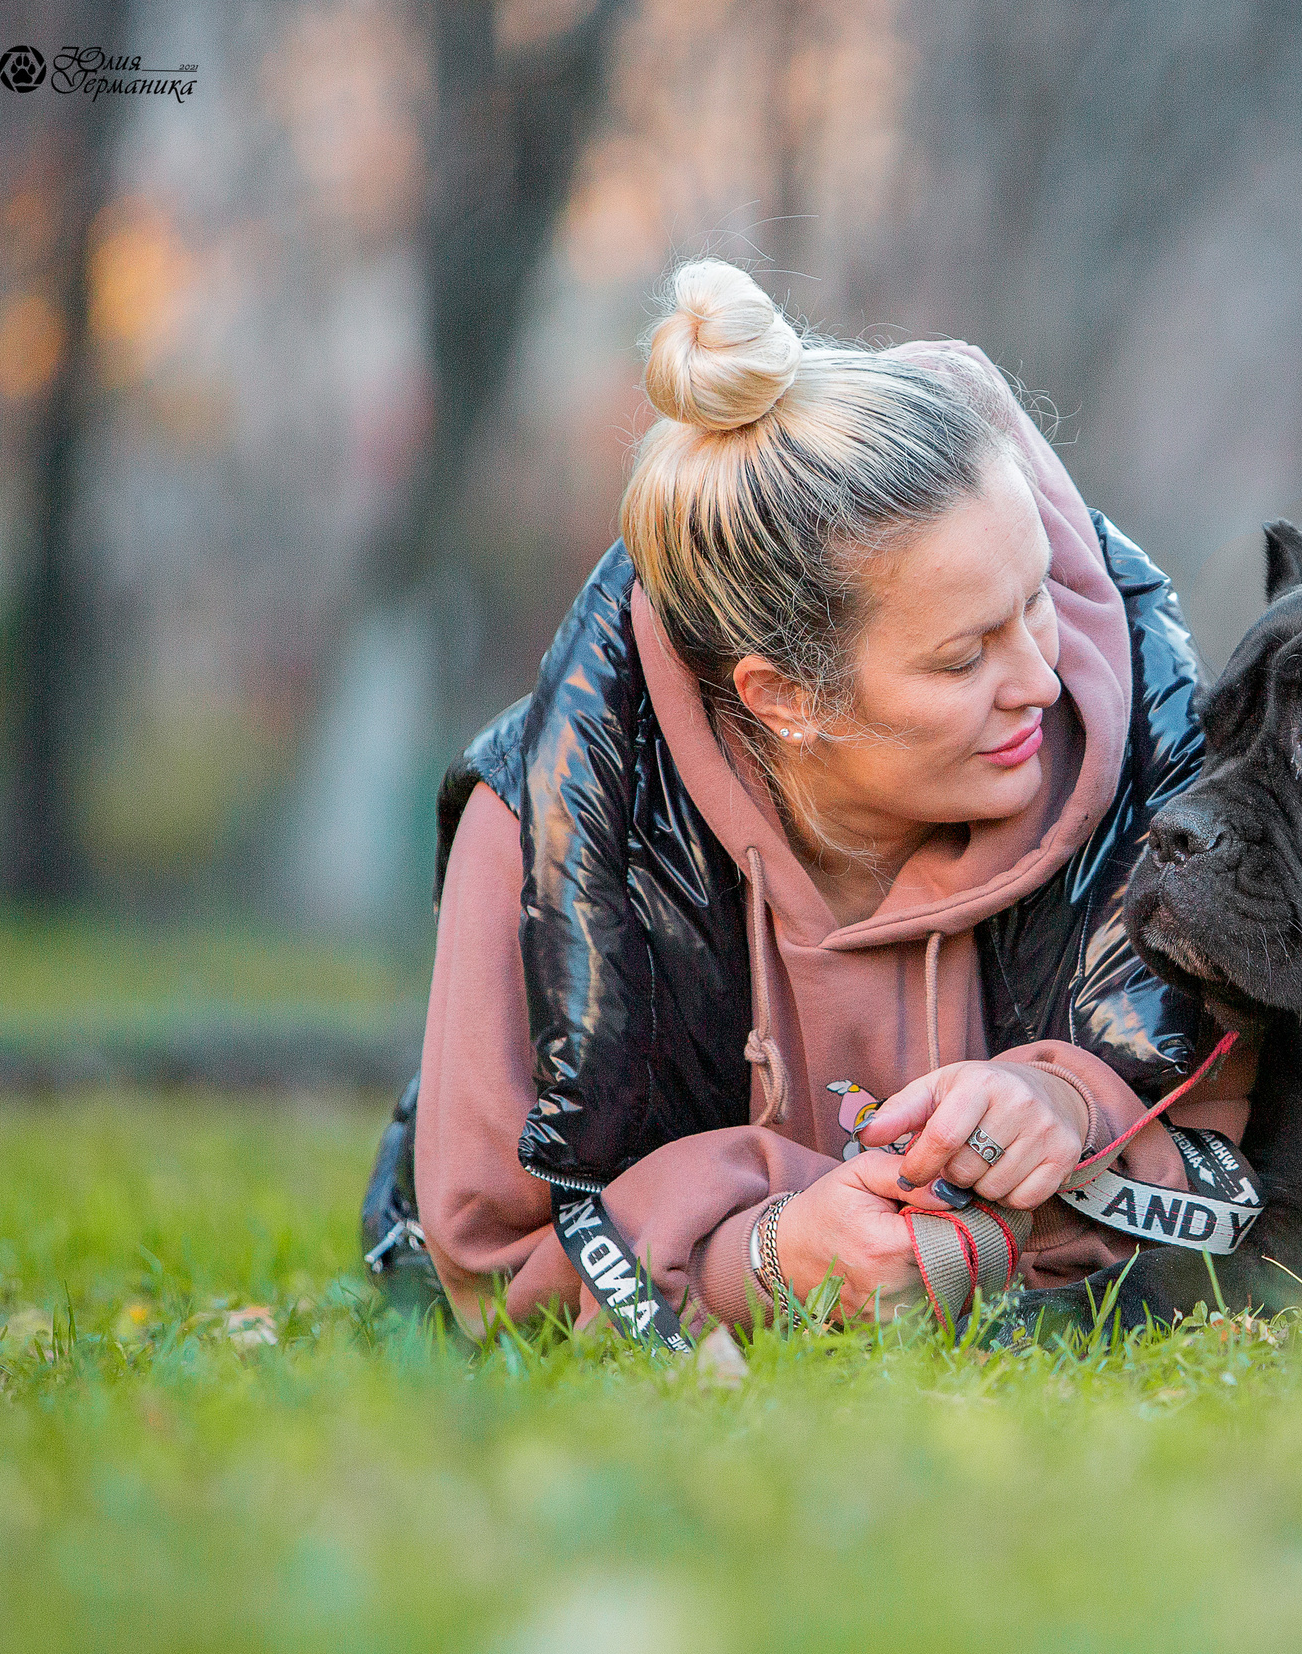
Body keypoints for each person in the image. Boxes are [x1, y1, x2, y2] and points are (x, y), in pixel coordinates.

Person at [356, 259, 1251, 1336]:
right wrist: (767, 1257)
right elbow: (495, 1271)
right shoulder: (541, 828)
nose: (1044, 679)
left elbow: (1253, 1163)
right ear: (783, 698)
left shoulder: (1151, 766)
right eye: (965, 657)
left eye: (1037, 600)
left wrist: (1069, 1103)